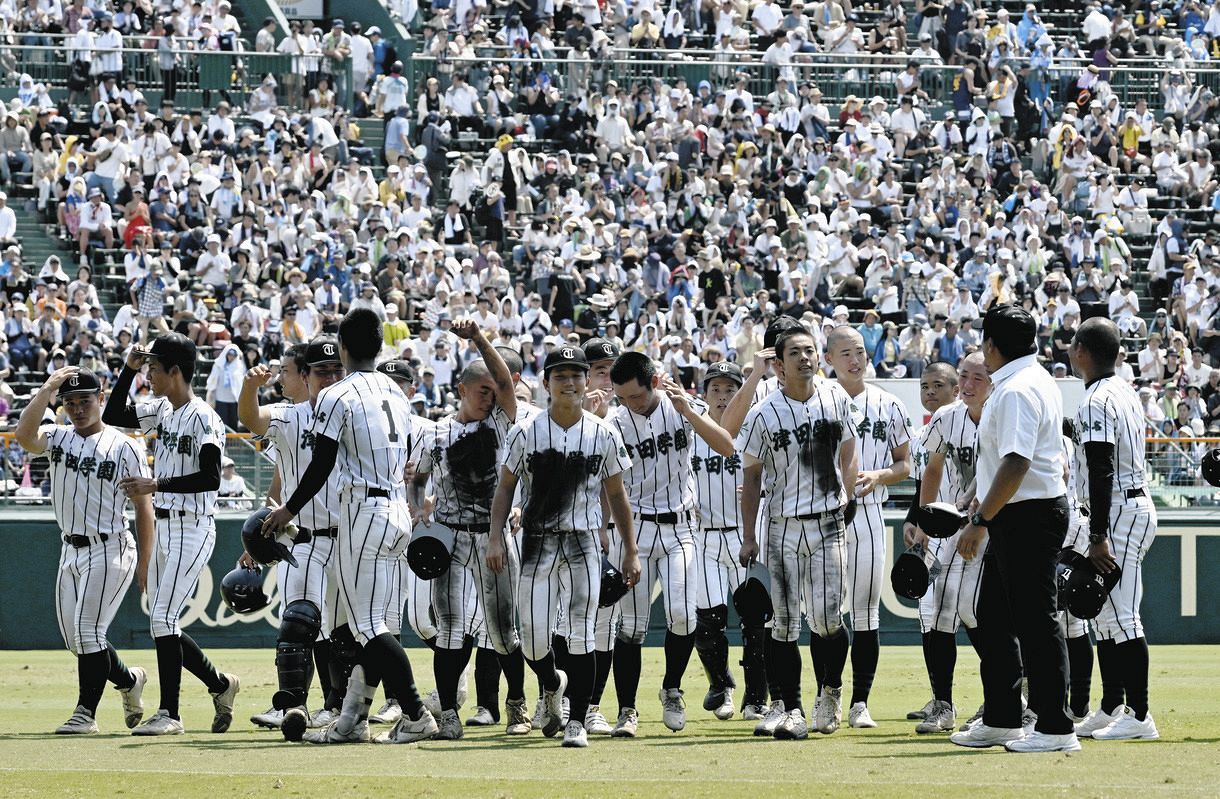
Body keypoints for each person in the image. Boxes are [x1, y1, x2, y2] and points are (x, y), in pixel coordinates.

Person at [262, 308, 437, 745]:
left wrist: (288, 509)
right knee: (370, 626)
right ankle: (351, 720)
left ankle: (415, 712)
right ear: (379, 347)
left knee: (366, 628)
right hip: (397, 509)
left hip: (363, 511)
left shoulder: (338, 395)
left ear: (343, 348)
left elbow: (321, 463)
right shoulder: (397, 394)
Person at [487, 344, 642, 748]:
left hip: (584, 541)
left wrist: (630, 548)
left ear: (586, 380)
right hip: (537, 541)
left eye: (576, 374)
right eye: (561, 375)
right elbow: (505, 488)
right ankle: (552, 683)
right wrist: (494, 537)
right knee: (535, 638)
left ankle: (575, 720)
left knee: (581, 633)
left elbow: (618, 494)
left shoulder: (603, 432)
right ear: (547, 383)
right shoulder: (526, 431)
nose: (570, 382)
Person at [951, 304, 1079, 753]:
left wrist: (981, 520)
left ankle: (1055, 727)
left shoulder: (1015, 390)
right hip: (1023, 512)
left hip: (1028, 515)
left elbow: (1017, 462)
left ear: (990, 345)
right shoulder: (1031, 379)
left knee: (1035, 623)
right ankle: (1004, 717)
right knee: (995, 618)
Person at [102, 333, 240, 736]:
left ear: (175, 372)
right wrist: (127, 370)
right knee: (165, 624)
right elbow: (113, 413)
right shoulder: (162, 408)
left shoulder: (204, 416)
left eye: (154, 369)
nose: (149, 375)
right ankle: (220, 685)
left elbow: (211, 477)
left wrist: (155, 485)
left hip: (193, 526)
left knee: (162, 618)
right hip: (166, 524)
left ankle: (170, 714)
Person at [737, 325, 860, 740]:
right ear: (778, 365)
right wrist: (749, 535)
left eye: (811, 351)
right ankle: (791, 707)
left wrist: (847, 487)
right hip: (782, 523)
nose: (806, 358)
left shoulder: (836, 397)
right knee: (784, 623)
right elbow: (751, 477)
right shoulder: (763, 413)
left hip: (827, 521)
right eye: (796, 353)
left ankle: (831, 690)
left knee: (827, 619)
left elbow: (848, 446)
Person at [15, 366, 152, 735]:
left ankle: (85, 714)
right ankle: (128, 680)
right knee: (76, 640)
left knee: (88, 632)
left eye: (85, 400)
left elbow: (143, 506)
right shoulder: (58, 437)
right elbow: (23, 436)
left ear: (101, 399)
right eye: (70, 402)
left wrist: (145, 560)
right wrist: (46, 389)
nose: (77, 408)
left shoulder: (125, 445)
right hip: (70, 550)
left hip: (109, 547)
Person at [607, 351, 736, 737]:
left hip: (681, 526)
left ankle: (671, 689)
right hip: (636, 528)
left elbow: (726, 445)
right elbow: (608, 485)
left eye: (636, 396)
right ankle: (627, 710)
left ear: (654, 383)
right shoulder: (614, 422)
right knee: (631, 627)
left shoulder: (682, 405)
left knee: (683, 615)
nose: (630, 403)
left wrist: (689, 410)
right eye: (623, 397)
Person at [414, 319, 532, 739]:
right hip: (450, 537)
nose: (491, 396)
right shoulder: (436, 431)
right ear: (461, 390)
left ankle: (516, 704)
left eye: (493, 392)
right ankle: (448, 713)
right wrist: (418, 512)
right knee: (449, 627)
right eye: (481, 391)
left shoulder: (500, 421)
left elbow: (503, 379)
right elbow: (416, 479)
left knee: (502, 631)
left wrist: (479, 339)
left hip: (492, 535)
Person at [238, 340, 347, 741]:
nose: (331, 377)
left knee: (342, 632)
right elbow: (251, 418)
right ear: (309, 375)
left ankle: (341, 707)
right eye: (322, 371)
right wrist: (250, 387)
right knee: (299, 622)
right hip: (304, 538)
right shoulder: (290, 416)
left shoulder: (354, 411)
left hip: (352, 537)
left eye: (337, 370)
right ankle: (292, 705)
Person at [1068, 317, 1160, 741]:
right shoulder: (1123, 389)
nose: (1070, 350)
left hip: (1119, 509)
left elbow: (1101, 469)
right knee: (1104, 617)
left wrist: (1097, 533)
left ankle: (1140, 715)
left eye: (1073, 344)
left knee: (1122, 617)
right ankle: (1110, 707)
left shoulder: (1096, 399)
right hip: (1128, 502)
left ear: (1083, 351)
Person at [824, 325, 911, 729]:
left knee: (865, 612)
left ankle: (859, 701)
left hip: (869, 511)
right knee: (824, 614)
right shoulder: (817, 402)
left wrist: (879, 476)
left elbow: (905, 465)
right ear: (829, 360)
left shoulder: (889, 404)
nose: (855, 359)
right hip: (822, 516)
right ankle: (829, 695)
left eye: (858, 350)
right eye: (845, 353)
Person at [911, 353, 992, 733]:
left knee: (980, 612)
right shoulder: (947, 418)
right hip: (955, 524)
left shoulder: (1004, 414)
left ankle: (1008, 695)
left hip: (998, 526)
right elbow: (932, 468)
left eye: (980, 376)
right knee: (942, 607)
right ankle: (943, 703)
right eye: (966, 376)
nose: (971, 384)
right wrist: (925, 517)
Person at [690, 361, 768, 720]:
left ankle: (756, 697)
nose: (722, 396)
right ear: (703, 394)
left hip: (745, 535)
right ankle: (720, 685)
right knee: (707, 620)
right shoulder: (691, 433)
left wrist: (760, 489)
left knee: (754, 621)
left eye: (729, 389)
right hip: (704, 537)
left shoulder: (755, 429)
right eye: (715, 389)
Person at [902, 362, 959, 724]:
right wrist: (913, 517)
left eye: (938, 385)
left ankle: (1005, 697)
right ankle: (941, 700)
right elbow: (924, 480)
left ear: (956, 389)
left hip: (962, 530)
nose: (930, 392)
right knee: (931, 621)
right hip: (932, 537)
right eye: (925, 386)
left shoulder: (967, 425)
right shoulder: (922, 435)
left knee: (981, 620)